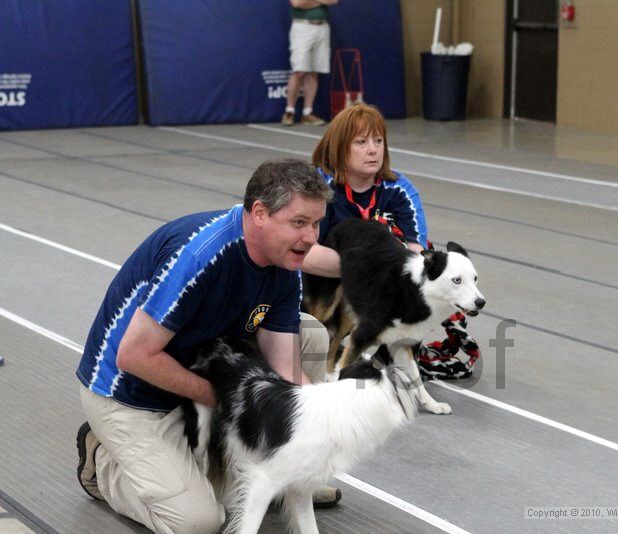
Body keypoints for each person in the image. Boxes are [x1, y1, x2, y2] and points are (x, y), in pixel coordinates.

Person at [75, 159, 343, 534]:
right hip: (130, 392)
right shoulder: (200, 255)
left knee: (310, 335)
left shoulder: (285, 260)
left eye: (316, 224)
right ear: (260, 214)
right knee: (197, 523)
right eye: (299, 223)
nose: (311, 237)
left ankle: (284, 471)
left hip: (202, 363)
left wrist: (324, 418)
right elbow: (133, 355)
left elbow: (286, 367)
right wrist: (225, 398)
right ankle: (104, 463)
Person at [302, 103, 481, 379]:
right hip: (321, 272)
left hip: (372, 281)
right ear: (339, 147)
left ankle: (356, 354)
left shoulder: (401, 191)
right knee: (319, 320)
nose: (373, 149)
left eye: (378, 141)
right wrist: (365, 267)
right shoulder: (319, 187)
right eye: (361, 142)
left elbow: (417, 258)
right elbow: (304, 254)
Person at [282, 0, 339, 126]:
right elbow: (297, 3)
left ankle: (307, 113)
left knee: (314, 71)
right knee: (299, 71)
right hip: (302, 27)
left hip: (322, 28)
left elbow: (334, 0)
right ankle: (289, 111)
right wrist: (321, 1)